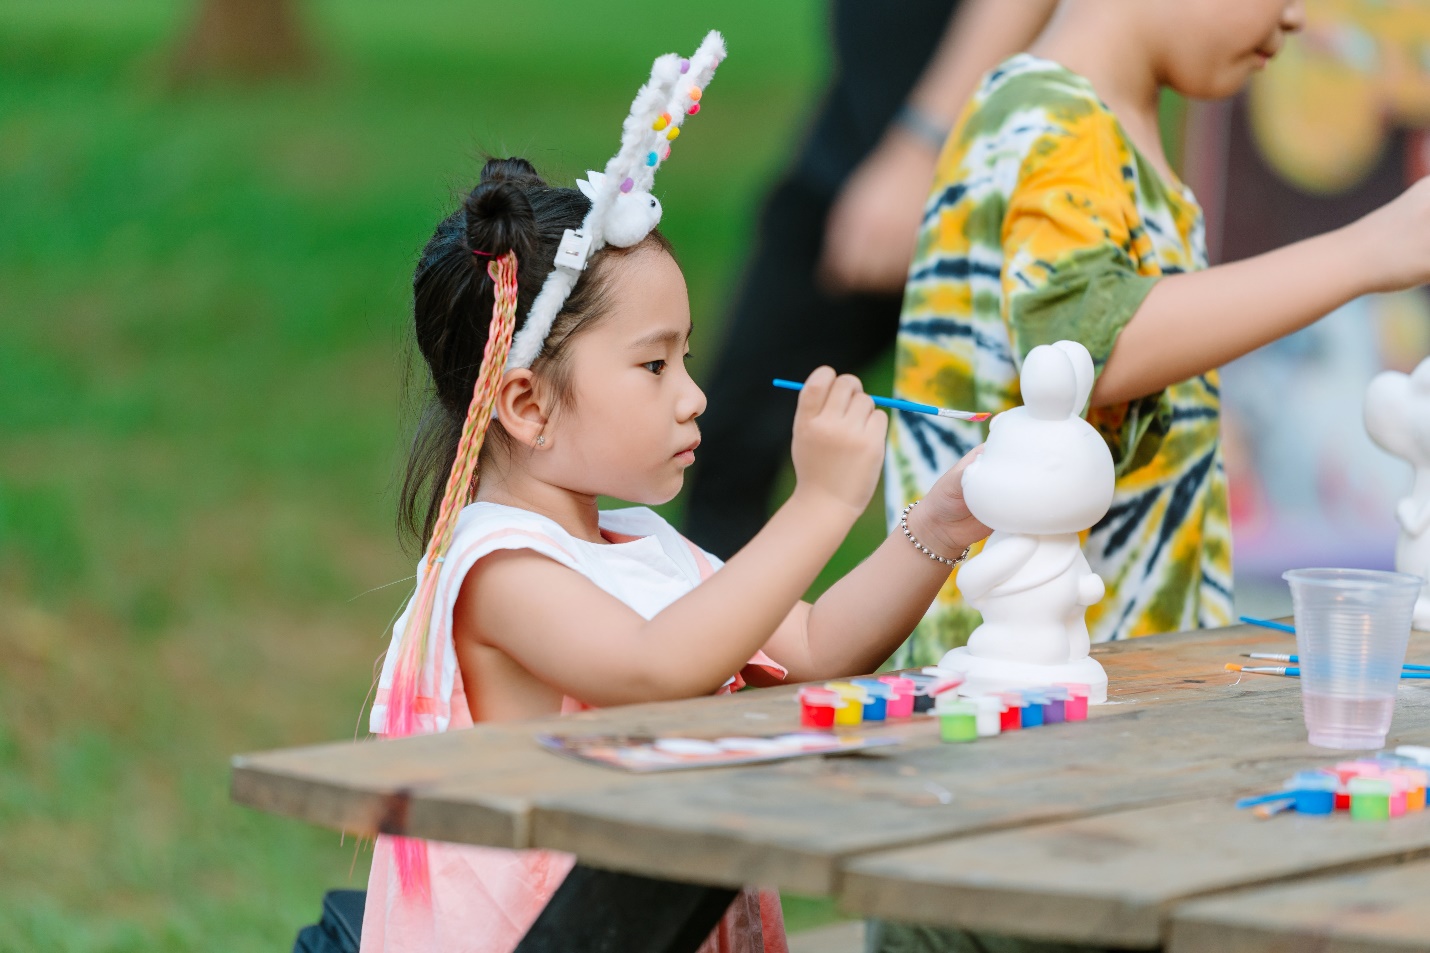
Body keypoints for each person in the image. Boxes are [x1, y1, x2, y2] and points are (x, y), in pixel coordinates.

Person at [359, 156, 990, 953]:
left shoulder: (641, 546)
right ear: (527, 403)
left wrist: (940, 523)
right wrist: (821, 504)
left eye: (686, 359)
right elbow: (654, 666)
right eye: (656, 365)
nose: (693, 395)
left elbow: (818, 646)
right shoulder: (494, 567)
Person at [881, 0, 1430, 684]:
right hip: (1012, 682)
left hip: (1093, 672)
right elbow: (1087, 350)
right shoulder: (1048, 113)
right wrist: (1370, 252)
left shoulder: (1100, 121)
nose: (1295, 17)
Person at [685, 0, 1059, 559]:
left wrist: (924, 146)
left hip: (969, 156)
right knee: (728, 443)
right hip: (862, 126)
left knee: (1010, 476)